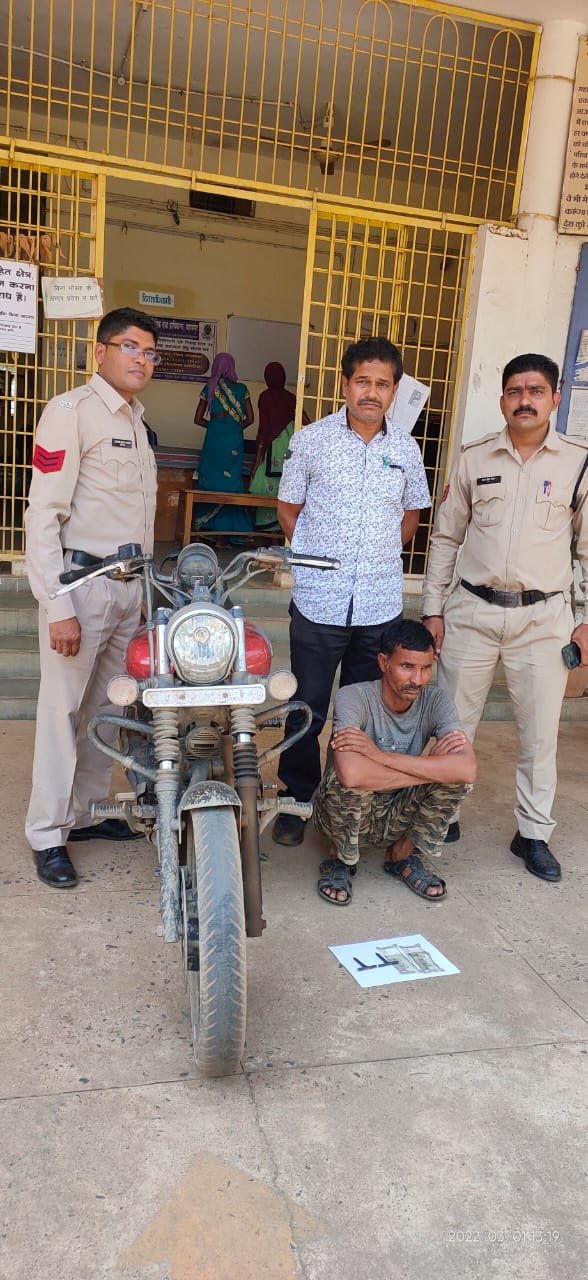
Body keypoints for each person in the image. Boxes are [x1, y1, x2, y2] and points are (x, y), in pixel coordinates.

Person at [422, 353, 588, 883]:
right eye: (515, 390)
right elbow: (445, 537)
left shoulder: (579, 463)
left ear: (554, 398)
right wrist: (432, 609)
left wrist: (585, 620)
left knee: (539, 734)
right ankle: (443, 811)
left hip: (544, 619)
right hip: (472, 611)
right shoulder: (474, 458)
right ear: (501, 400)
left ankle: (533, 833)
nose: (525, 400)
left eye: (536, 391)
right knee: (454, 723)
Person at [273, 335, 432, 846]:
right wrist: (316, 564)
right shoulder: (311, 440)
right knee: (307, 707)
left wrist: (377, 556)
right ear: (346, 384)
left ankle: (346, 798)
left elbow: (411, 517)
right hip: (318, 603)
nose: (371, 392)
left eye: (382, 384)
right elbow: (288, 509)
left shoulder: (406, 449)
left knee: (363, 711)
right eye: (363, 381)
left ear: (394, 391)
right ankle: (297, 799)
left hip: (379, 607)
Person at [25, 307, 160, 889]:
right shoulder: (70, 413)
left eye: (149, 352)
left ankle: (83, 814)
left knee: (107, 711)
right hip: (81, 589)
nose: (141, 359)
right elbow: (43, 517)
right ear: (100, 351)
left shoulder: (138, 423)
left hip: (129, 592)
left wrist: (146, 596)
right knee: (61, 714)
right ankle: (47, 834)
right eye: (130, 346)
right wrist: (57, 605)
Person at [313, 619, 476, 905]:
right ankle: (342, 859)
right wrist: (431, 769)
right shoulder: (354, 696)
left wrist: (380, 757)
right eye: (407, 667)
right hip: (343, 815)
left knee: (455, 780)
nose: (418, 679)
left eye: (425, 668)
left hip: (398, 811)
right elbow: (351, 774)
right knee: (345, 781)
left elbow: (467, 769)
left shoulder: (437, 700)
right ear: (383, 662)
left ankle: (402, 854)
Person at [193, 352, 254, 533]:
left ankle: (205, 528)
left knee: (210, 479)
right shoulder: (242, 389)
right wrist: (234, 428)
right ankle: (228, 531)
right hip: (234, 438)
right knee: (231, 480)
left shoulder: (210, 386)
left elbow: (197, 419)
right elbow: (250, 419)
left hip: (214, 437)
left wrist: (215, 427)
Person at [249, 362, 309, 530]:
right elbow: (307, 421)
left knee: (264, 487)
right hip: (290, 450)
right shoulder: (291, 398)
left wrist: (257, 459)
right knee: (287, 488)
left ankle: (268, 531)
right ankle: (282, 530)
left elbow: (264, 428)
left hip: (272, 448)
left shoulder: (265, 397)